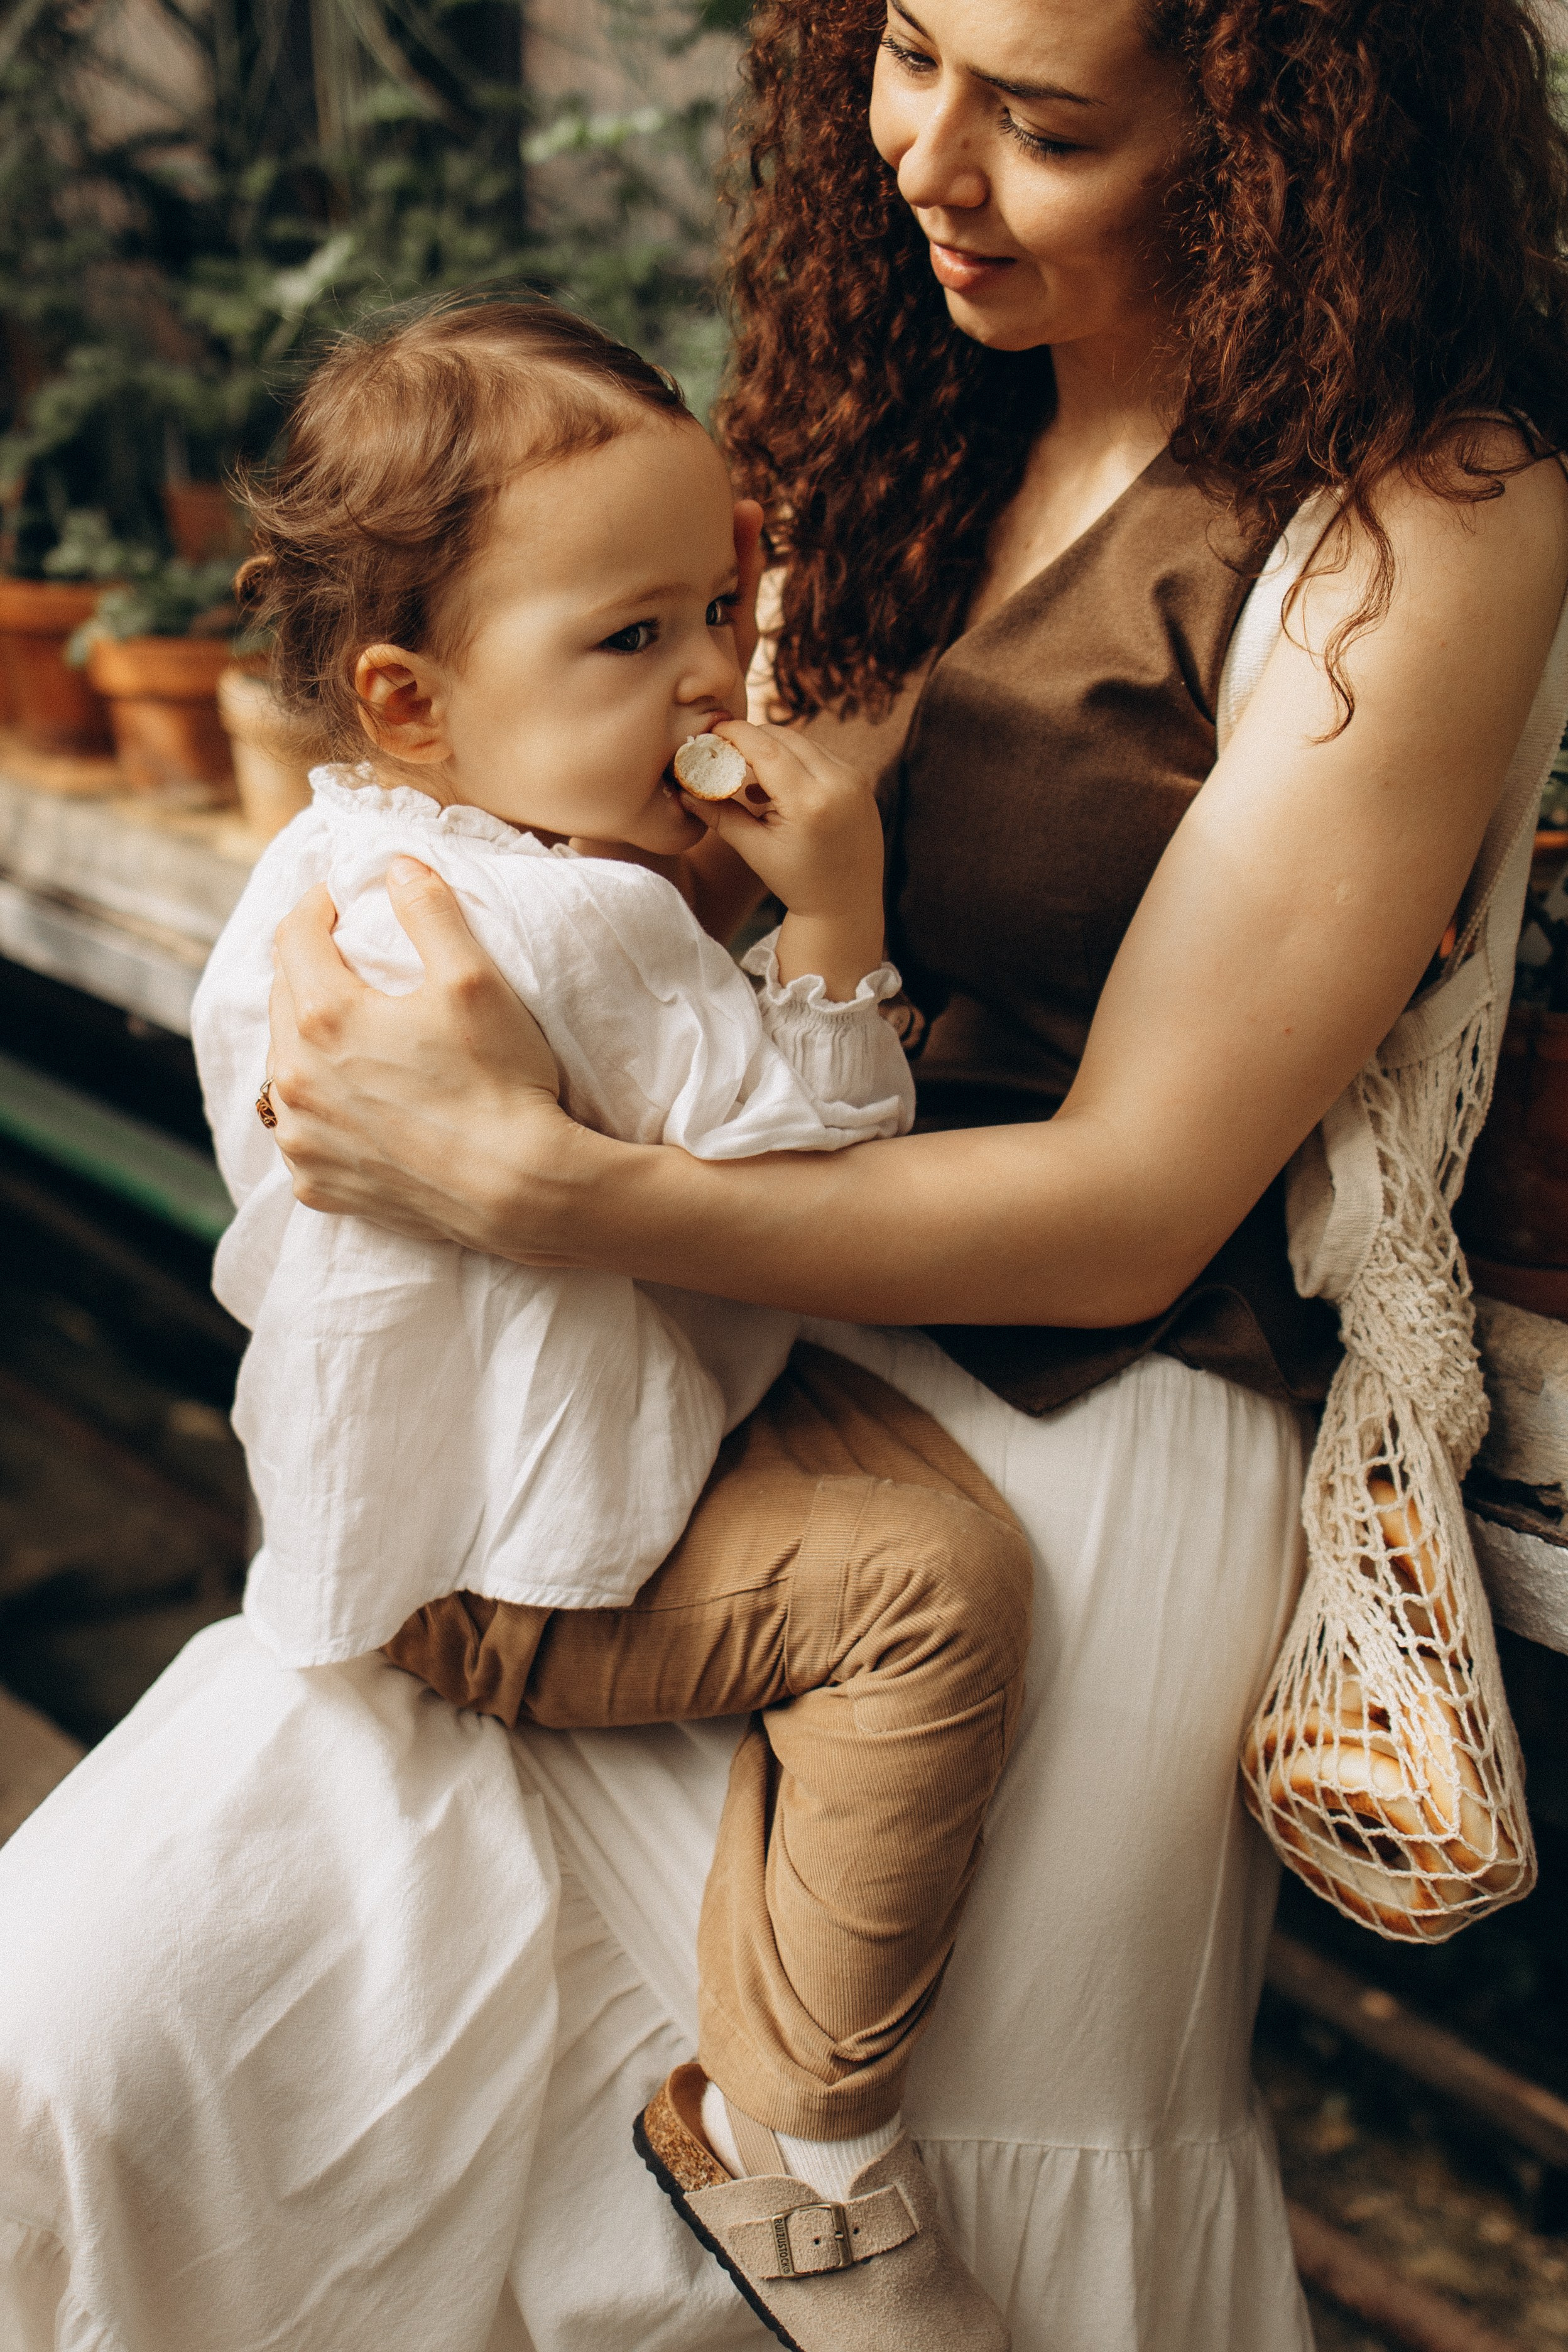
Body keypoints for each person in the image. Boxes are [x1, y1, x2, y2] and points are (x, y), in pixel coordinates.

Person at [4, 0, 1568, 2344]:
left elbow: (1137, 1194)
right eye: (907, 52)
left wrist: (541, 1190)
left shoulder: (1413, 512)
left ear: (1278, 135)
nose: (933, 157)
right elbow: (640, 878)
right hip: (698, 1394)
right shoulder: (912, 402)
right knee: (92, 2041)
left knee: (889, 2238)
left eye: (1042, 123)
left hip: (1069, 1441)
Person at [195, 296, 1023, 2349]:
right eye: (631, 639)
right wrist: (829, 894)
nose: (718, 680)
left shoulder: (332, 860)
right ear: (411, 696)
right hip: (507, 1585)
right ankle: (796, 2146)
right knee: (939, 1584)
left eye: (721, 608)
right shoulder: (577, 922)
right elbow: (825, 1153)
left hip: (392, 1511)